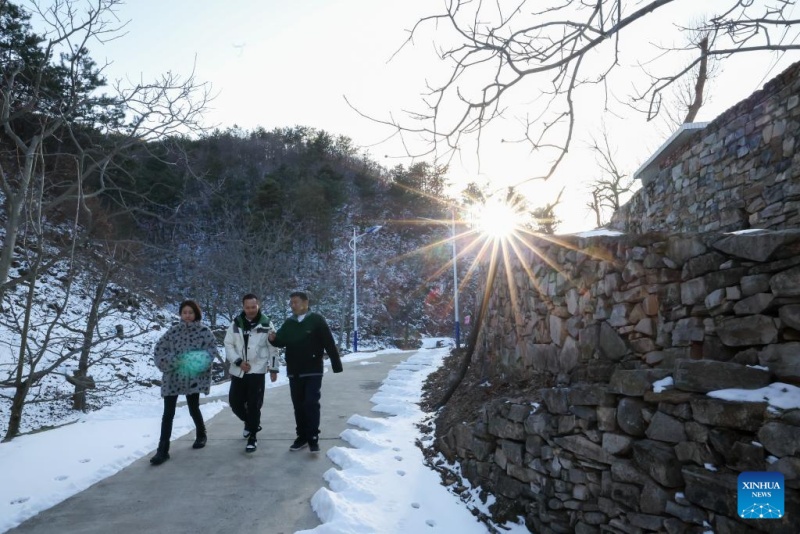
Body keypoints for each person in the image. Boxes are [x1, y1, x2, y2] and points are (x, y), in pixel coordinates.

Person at [268, 291, 342, 453]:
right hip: (294, 370)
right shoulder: (289, 323)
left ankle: (313, 437)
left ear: (306, 303)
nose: (293, 305)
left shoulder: (316, 320)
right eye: (291, 303)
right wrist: (273, 339)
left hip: (313, 369)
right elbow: (281, 340)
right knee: (298, 405)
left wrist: (336, 364)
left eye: (296, 302)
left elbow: (328, 342)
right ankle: (301, 437)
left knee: (311, 402)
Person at [150, 299, 219, 466]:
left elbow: (211, 351)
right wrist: (174, 361)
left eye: (190, 312)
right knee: (168, 413)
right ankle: (163, 449)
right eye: (184, 312)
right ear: (181, 314)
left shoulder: (204, 332)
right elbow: (159, 350)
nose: (187, 316)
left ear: (196, 314)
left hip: (193, 376)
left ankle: (201, 434)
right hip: (173, 377)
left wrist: (193, 361)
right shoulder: (173, 332)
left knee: (193, 407)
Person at [224, 293, 279, 453]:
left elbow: (273, 348)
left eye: (253, 307)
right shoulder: (235, 323)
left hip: (257, 370)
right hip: (239, 371)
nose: (250, 310)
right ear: (243, 307)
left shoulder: (267, 324)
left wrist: (273, 368)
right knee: (235, 403)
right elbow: (228, 344)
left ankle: (253, 437)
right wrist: (238, 362)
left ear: (258, 305)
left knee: (254, 404)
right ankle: (250, 423)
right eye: (247, 307)